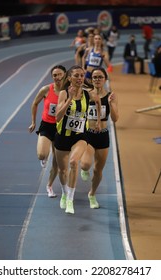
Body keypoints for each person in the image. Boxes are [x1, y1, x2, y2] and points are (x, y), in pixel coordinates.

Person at [54, 65, 101, 214]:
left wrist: (98, 120)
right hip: (62, 136)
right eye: (76, 76)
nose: (80, 78)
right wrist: (68, 100)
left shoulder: (89, 94)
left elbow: (100, 101)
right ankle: (63, 191)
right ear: (69, 78)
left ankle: (70, 199)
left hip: (80, 135)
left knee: (74, 162)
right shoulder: (63, 93)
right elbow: (57, 117)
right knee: (62, 171)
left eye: (82, 76)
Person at [80, 67, 119, 209]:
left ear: (105, 79)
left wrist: (110, 104)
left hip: (102, 136)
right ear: (91, 80)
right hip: (88, 134)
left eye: (100, 77)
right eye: (95, 77)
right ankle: (83, 169)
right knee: (85, 164)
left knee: (98, 171)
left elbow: (115, 119)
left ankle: (92, 194)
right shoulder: (86, 95)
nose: (97, 80)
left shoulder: (111, 96)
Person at [28, 65, 66, 198]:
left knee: (57, 162)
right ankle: (44, 155)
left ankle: (49, 186)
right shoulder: (46, 89)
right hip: (46, 126)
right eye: (54, 75)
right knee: (41, 155)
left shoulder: (68, 91)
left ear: (65, 75)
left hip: (61, 128)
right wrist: (33, 122)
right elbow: (34, 103)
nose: (57, 77)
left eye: (59, 74)